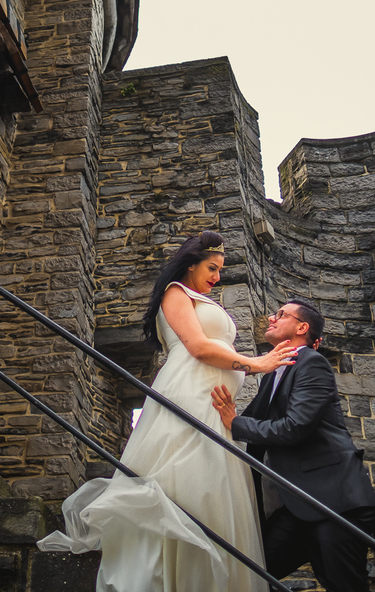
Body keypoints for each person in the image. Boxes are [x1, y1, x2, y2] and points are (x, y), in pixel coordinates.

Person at [39, 230, 295, 591]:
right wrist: (259, 363)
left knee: (215, 486)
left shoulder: (200, 298)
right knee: (185, 479)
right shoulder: (175, 293)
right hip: (188, 394)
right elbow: (198, 347)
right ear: (190, 264)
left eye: (220, 270)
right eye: (212, 268)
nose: (217, 277)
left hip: (214, 404)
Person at [212, 299, 375, 592]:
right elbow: (244, 423)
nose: (271, 318)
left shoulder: (312, 363)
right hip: (295, 506)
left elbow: (295, 428)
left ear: (302, 328)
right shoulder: (273, 374)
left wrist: (235, 423)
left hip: (333, 503)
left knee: (345, 586)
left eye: (280, 314)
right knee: (251, 577)